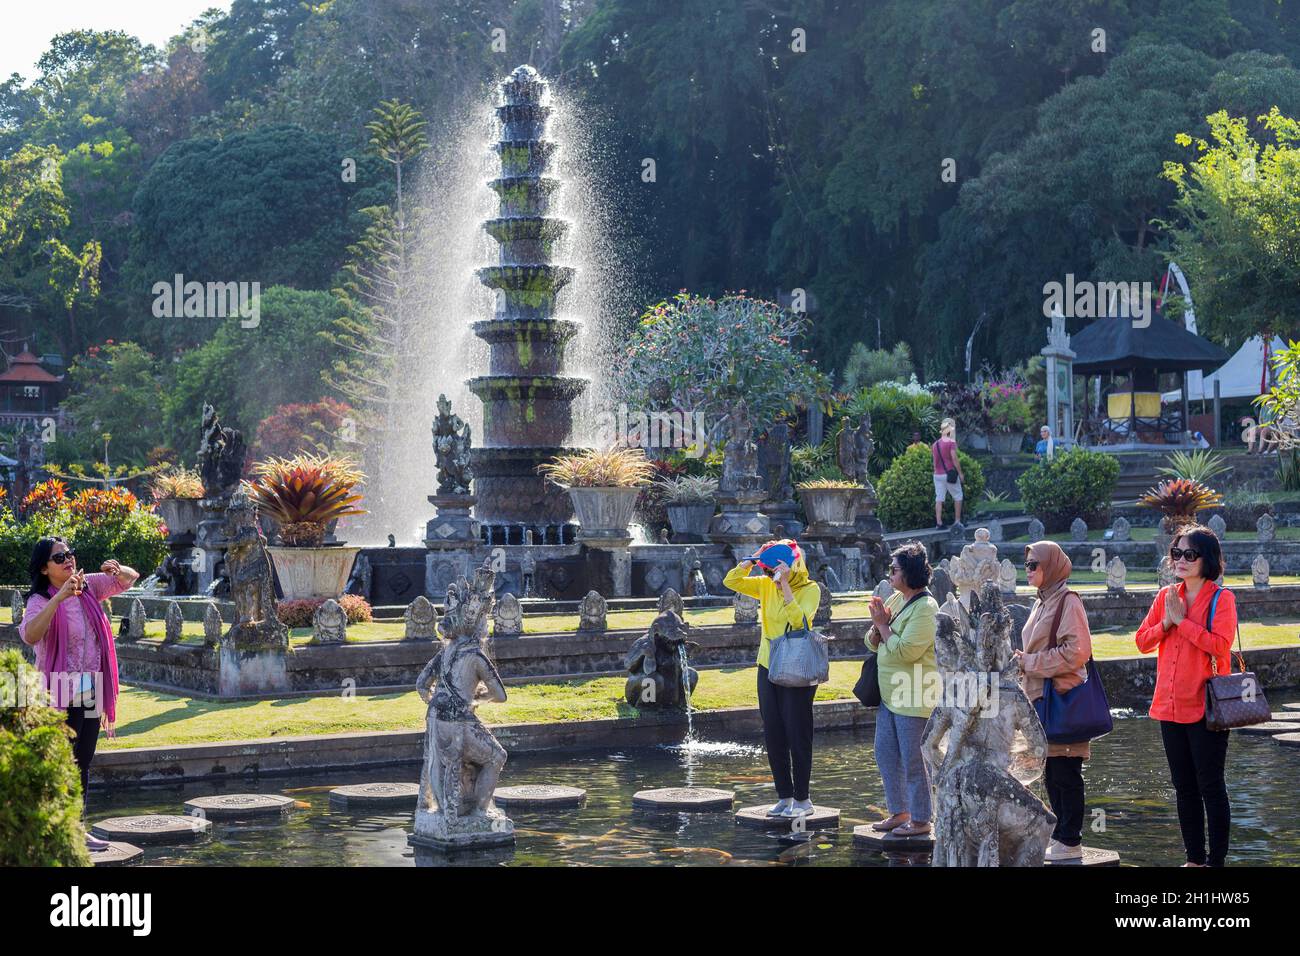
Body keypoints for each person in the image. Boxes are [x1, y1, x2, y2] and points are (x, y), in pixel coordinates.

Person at [19, 537, 138, 851]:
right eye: (59, 558)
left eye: (69, 554)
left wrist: (117, 568)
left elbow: (129, 578)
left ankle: (77, 829)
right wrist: (58, 598)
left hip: (89, 685)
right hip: (58, 687)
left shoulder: (89, 587)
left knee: (82, 760)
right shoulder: (40, 600)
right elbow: (30, 635)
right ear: (44, 568)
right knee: (62, 760)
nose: (68, 560)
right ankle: (54, 828)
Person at [1135, 525, 1235, 867]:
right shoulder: (1166, 597)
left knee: (1210, 786)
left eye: (1188, 554)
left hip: (1207, 708)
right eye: (1175, 552)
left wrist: (1184, 623)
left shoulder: (1222, 598)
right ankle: (1194, 860)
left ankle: (1216, 862)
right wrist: (1167, 622)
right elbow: (1142, 640)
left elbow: (1221, 648)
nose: (1179, 559)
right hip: (1168, 705)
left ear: (1205, 559)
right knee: (1184, 787)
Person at [723, 539, 822, 817]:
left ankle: (803, 799)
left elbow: (799, 622)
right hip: (768, 665)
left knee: (797, 731)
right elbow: (731, 580)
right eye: (768, 570)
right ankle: (785, 796)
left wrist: (786, 586)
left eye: (774, 569)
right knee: (773, 731)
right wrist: (754, 558)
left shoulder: (810, 589)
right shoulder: (765, 585)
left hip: (797, 667)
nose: (771, 576)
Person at [1014, 540, 1092, 861]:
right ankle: (1060, 836)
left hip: (1062, 700)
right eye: (1027, 564)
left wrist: (1030, 662)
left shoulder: (1067, 601)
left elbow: (1077, 651)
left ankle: (1070, 839)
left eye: (1034, 564)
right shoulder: (1041, 602)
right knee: (1051, 771)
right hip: (1040, 701)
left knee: (1065, 771)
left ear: (1052, 566)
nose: (1028, 569)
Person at [865, 542, 938, 837]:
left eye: (894, 569)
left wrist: (883, 628)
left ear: (909, 573)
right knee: (885, 753)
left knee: (913, 759)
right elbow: (870, 641)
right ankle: (899, 811)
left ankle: (921, 820)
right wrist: (877, 628)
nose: (890, 574)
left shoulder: (926, 608)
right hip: (889, 695)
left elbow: (906, 651)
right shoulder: (896, 599)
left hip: (914, 695)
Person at [931, 417, 964, 528]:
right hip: (949, 474)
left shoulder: (935, 445)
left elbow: (935, 462)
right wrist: (960, 473)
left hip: (937, 475)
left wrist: (937, 472)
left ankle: (939, 523)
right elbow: (954, 458)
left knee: (939, 498)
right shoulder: (951, 442)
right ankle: (957, 521)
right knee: (958, 496)